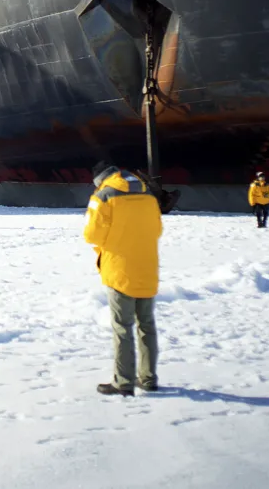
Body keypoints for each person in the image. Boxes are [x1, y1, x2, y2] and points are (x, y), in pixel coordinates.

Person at [84, 162, 163, 396]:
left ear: (99, 179)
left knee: (122, 328)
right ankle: (148, 378)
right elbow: (157, 229)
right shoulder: (148, 196)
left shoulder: (103, 197)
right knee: (147, 326)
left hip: (119, 271)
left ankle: (123, 382)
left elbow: (91, 235)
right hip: (147, 270)